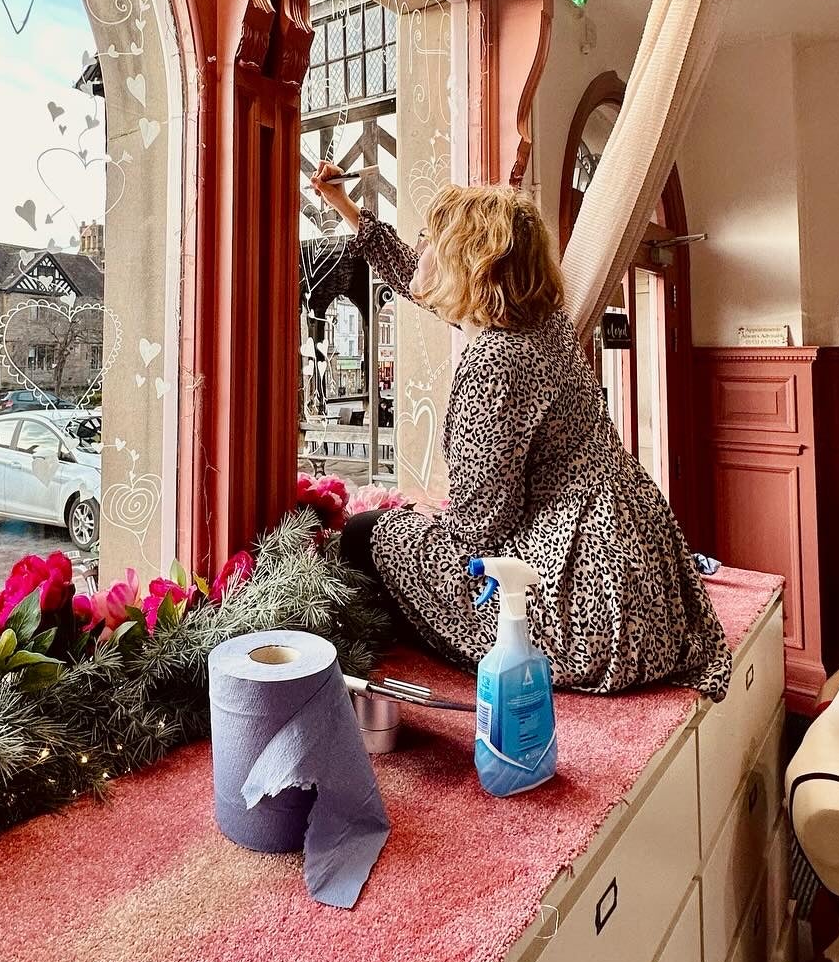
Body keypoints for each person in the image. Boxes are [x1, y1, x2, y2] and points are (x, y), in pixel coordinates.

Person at [309, 165, 731, 698]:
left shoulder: (496, 361)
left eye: (431, 242)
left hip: (586, 592)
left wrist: (405, 527)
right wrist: (346, 208)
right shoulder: (540, 325)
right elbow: (415, 277)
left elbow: (481, 526)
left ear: (470, 267)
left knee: (367, 533)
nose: (422, 251)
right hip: (642, 568)